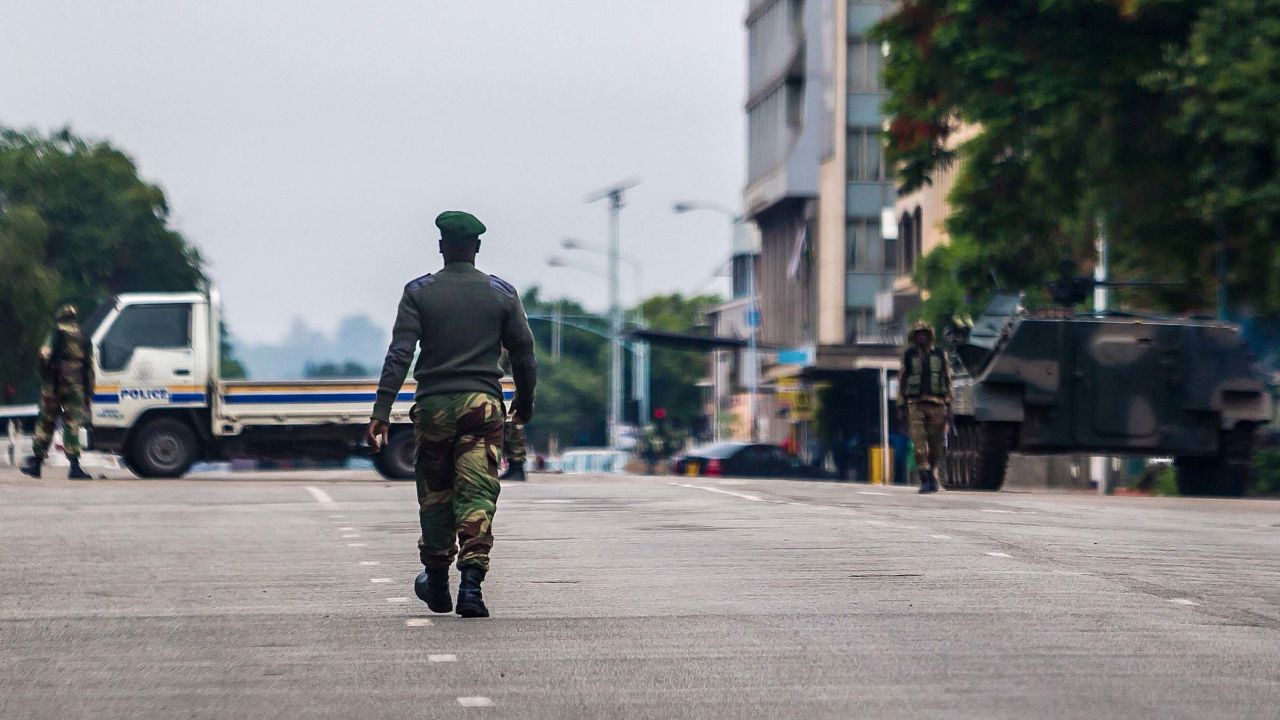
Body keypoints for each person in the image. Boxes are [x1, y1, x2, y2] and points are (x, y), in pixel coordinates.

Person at [366, 210, 536, 619]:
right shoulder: (502, 293)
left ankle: (437, 582)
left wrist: (382, 409)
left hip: (435, 407)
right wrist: (524, 403)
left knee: (436, 494)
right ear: (476, 248)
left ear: (442, 246)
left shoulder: (419, 292)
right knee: (477, 492)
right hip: (482, 406)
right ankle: (472, 588)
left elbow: (400, 353)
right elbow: (524, 354)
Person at [20, 304, 93, 480]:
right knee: (72, 424)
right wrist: (88, 391)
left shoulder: (55, 333)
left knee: (45, 423)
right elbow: (89, 367)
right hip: (75, 387)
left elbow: (44, 355)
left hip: (53, 386)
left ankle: (36, 465)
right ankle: (75, 468)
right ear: (74, 318)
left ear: (60, 317)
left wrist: (45, 375)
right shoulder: (83, 336)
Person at [896, 320, 951, 494]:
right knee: (918, 444)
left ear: (929, 336)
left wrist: (950, 405)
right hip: (915, 404)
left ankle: (931, 471)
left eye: (924, 333)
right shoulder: (909, 355)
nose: (921, 336)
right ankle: (925, 476)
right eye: (918, 333)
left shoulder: (940, 354)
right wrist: (900, 405)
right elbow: (902, 380)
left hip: (937, 404)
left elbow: (948, 379)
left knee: (936, 445)